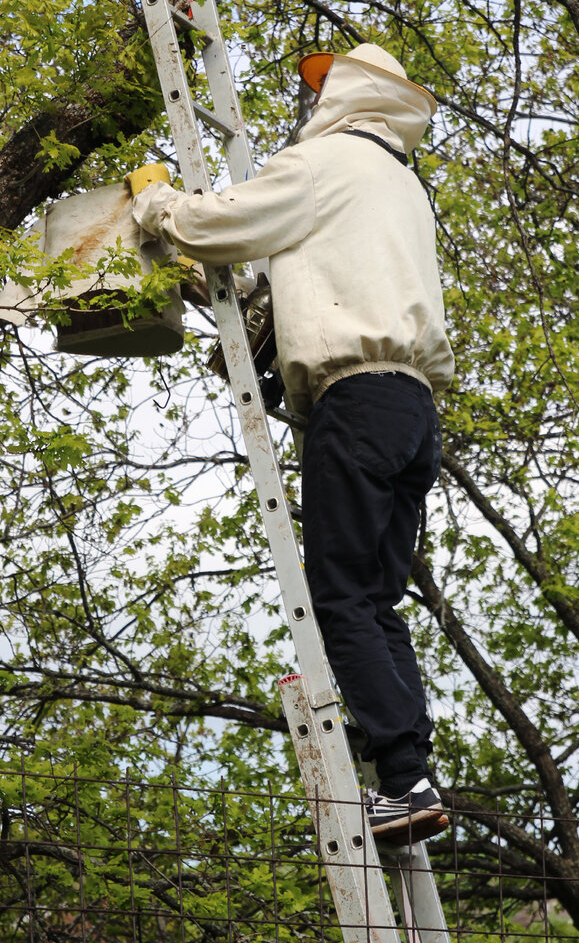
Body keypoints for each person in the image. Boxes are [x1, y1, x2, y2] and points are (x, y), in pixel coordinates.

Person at [130, 43, 454, 842]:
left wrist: (157, 205)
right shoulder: (402, 187)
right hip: (414, 410)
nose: (312, 102)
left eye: (322, 90)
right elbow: (314, 273)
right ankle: (409, 772)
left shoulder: (325, 164)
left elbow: (220, 222)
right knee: (376, 600)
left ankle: (405, 782)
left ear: (346, 95)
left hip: (356, 400)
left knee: (339, 595)